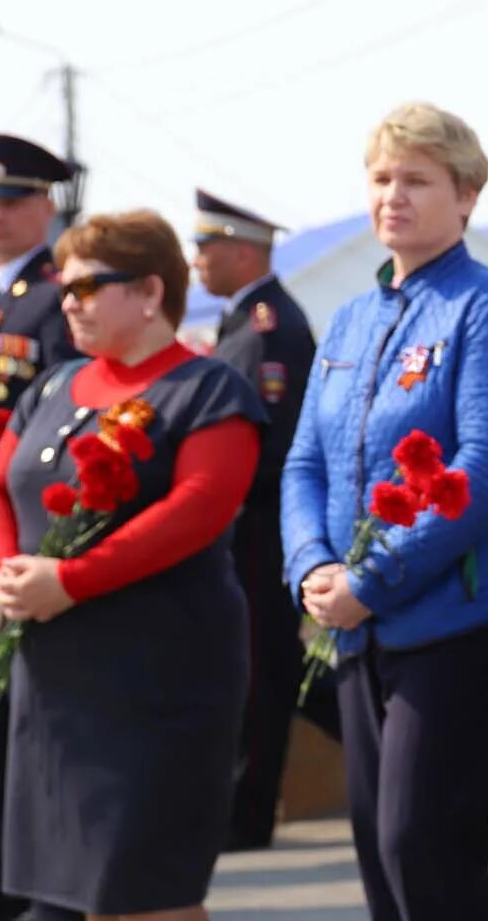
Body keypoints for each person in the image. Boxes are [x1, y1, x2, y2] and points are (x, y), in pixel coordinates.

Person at [281, 102, 488, 921]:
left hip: (459, 622)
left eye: (418, 180)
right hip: (359, 624)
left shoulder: (486, 307)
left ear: (466, 197)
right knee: (380, 853)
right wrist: (314, 567)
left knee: (422, 845)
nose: (393, 195)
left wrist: (375, 573)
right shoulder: (353, 319)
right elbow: (304, 463)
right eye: (381, 178)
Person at [0, 210, 265, 919]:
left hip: (158, 684)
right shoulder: (52, 386)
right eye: (65, 288)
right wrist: (8, 572)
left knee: (143, 896)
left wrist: (68, 580)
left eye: (88, 286)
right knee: (60, 897)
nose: (68, 301)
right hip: (57, 683)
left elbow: (199, 509)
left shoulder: (209, 390)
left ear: (151, 290)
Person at [0, 134, 78, 921]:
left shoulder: (57, 295)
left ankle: (11, 889)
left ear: (47, 206)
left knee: (7, 733)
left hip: (21, 539)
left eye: (11, 200)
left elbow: (59, 418)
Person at [190, 189, 322, 850]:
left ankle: (248, 813)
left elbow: (273, 441)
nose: (196, 260)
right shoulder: (244, 320)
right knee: (262, 665)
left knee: (265, 668)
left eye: (205, 247)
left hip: (262, 526)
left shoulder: (269, 326)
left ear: (243, 252)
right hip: (246, 527)